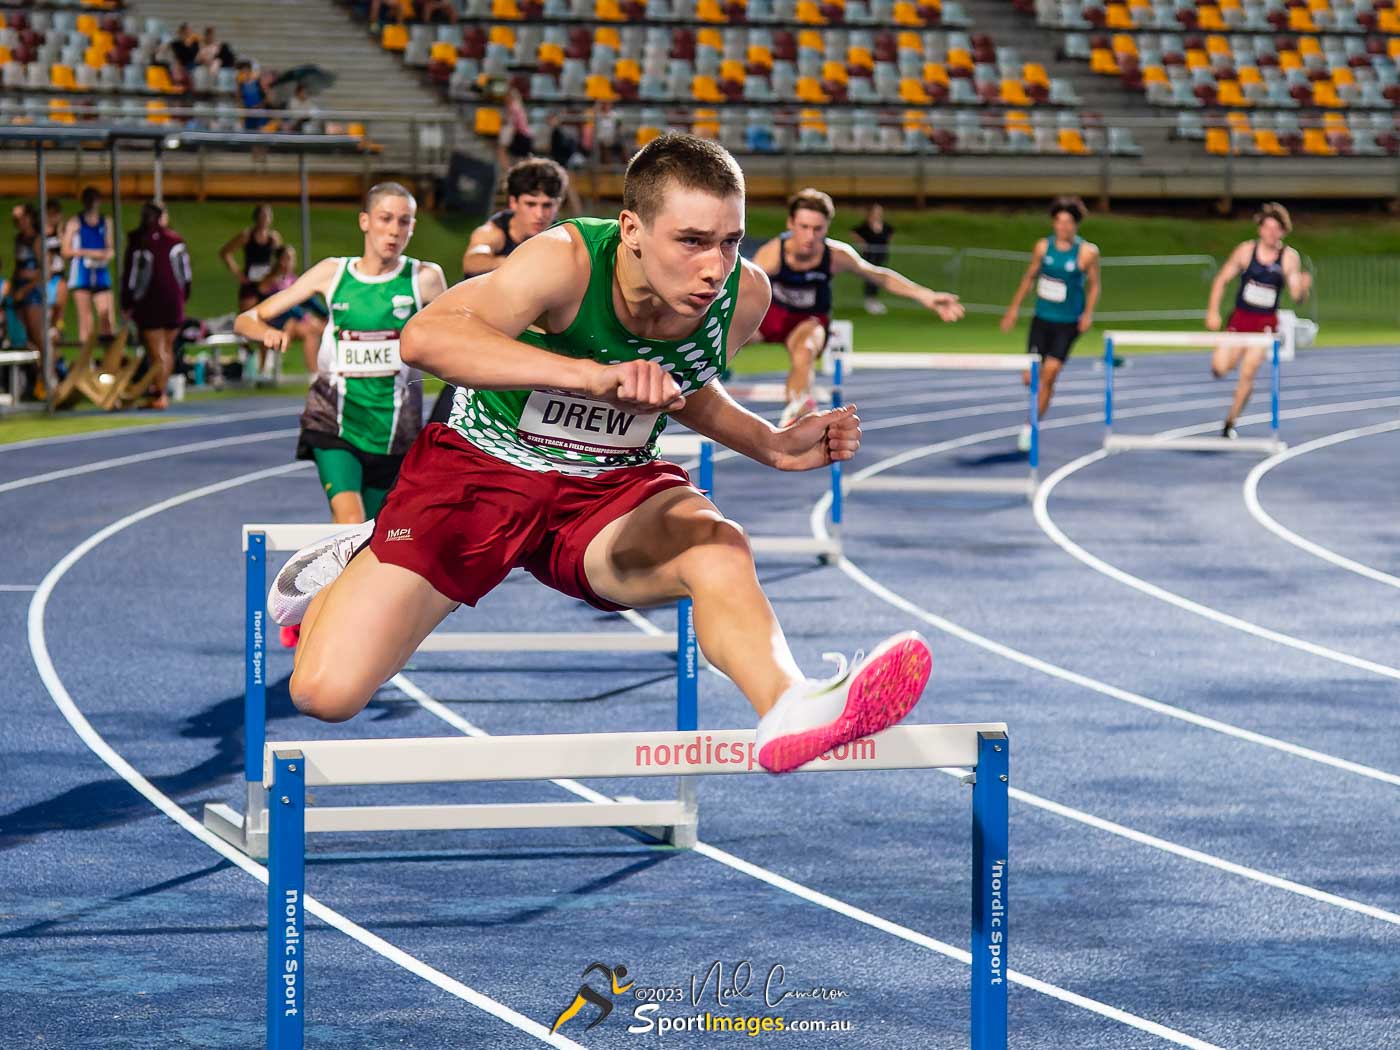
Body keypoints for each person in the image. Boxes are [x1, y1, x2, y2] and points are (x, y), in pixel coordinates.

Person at [265, 134, 933, 776]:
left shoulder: (742, 297)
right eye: (692, 241)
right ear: (632, 230)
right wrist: (588, 373)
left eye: (729, 241)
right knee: (324, 693)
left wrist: (771, 444)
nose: (714, 266)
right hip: (482, 470)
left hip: (609, 488)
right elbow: (425, 339)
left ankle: (790, 705)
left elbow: (683, 389)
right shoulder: (564, 260)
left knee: (717, 545)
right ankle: (363, 554)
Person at [234, 183, 447, 648]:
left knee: (370, 547)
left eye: (404, 222)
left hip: (396, 432)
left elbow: (460, 332)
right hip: (333, 422)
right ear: (365, 222)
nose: (394, 231)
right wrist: (264, 332)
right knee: (347, 520)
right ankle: (322, 635)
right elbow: (248, 318)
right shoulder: (333, 274)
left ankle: (314, 608)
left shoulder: (425, 279)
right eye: (386, 219)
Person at [752, 188, 964, 426]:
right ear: (791, 223)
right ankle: (708, 384)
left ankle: (795, 411)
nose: (810, 237)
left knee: (806, 350)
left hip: (808, 320)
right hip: (773, 314)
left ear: (827, 228)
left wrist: (925, 295)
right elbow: (742, 286)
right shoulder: (771, 254)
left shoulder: (836, 255)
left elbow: (879, 276)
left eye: (817, 229)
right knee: (727, 335)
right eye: (804, 227)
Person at [427, 157, 568, 426]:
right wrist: (525, 266)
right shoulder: (493, 233)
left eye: (547, 205)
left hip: (529, 351)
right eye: (531, 204)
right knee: (445, 425)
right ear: (513, 203)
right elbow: (473, 260)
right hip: (478, 346)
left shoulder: (563, 238)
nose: (539, 214)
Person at [999, 196, 1101, 452]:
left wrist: (1088, 313)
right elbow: (1029, 278)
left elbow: (1095, 285)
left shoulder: (1087, 252)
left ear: (1076, 225)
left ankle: (1030, 426)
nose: (1063, 227)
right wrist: (1013, 309)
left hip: (1067, 323)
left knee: (1050, 375)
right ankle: (1038, 402)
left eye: (1068, 223)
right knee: (1030, 378)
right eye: (1059, 222)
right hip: (1042, 319)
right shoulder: (1043, 248)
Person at [1205, 202, 1311, 439]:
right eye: (1268, 228)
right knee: (1220, 368)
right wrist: (1212, 311)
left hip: (1264, 326)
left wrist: (1303, 290)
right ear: (1260, 229)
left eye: (1277, 229)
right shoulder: (1245, 251)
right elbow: (1221, 279)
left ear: (1283, 232)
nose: (1272, 234)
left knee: (1248, 370)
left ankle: (1230, 422)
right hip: (1240, 320)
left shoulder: (1288, 257)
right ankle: (1241, 395)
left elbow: (1296, 295)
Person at [121, 201, 192, 411]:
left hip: (150, 302)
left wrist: (128, 301)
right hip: (173, 301)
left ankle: (159, 393)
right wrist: (184, 295)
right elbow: (186, 273)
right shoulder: (175, 240)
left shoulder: (139, 241)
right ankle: (160, 391)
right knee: (166, 348)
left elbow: (132, 276)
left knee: (156, 351)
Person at [221, 205, 284, 378]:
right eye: (262, 216)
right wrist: (238, 273)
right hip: (250, 284)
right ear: (256, 218)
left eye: (268, 216)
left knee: (266, 323)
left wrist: (277, 274)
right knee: (247, 321)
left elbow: (282, 258)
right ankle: (247, 359)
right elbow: (225, 252)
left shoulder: (274, 238)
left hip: (266, 285)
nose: (265, 219)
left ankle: (264, 367)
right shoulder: (247, 235)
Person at [256, 244, 328, 375]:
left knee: (323, 328)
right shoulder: (270, 282)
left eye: (292, 259)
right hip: (272, 325)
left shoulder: (291, 279)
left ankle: (326, 372)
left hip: (289, 323)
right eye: (287, 258)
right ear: (279, 261)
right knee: (309, 329)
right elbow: (284, 306)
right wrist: (306, 318)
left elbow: (309, 301)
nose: (291, 262)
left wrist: (328, 315)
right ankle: (315, 375)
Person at [62, 186, 118, 352]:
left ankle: (109, 361)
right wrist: (89, 253)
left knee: (107, 318)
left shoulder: (105, 222)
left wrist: (103, 255)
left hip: (100, 274)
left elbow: (110, 249)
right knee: (86, 321)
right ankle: (86, 363)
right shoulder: (75, 222)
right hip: (82, 275)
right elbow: (65, 250)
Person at [9, 205, 45, 396]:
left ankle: (48, 376)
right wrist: (14, 288)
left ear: (30, 218)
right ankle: (36, 378)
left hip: (32, 293)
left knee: (38, 337)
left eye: (21, 218)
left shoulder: (37, 240)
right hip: (19, 290)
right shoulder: (19, 239)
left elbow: (44, 270)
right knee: (28, 338)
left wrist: (26, 288)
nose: (19, 222)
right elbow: (17, 266)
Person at [849, 203, 895, 316]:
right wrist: (862, 243)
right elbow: (854, 232)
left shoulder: (884, 226)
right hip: (869, 256)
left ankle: (875, 300)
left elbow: (889, 234)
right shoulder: (865, 226)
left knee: (880, 276)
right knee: (870, 277)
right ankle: (870, 300)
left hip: (880, 256)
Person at [44, 199, 67, 346]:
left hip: (58, 276)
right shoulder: (40, 234)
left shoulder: (60, 233)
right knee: (48, 312)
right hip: (45, 277)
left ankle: (57, 333)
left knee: (59, 312)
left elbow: (65, 252)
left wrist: (60, 231)